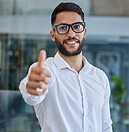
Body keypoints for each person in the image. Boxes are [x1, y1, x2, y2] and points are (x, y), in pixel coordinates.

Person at [19, 2, 113, 132]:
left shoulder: (100, 77)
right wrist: (33, 88)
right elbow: (31, 95)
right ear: (53, 35)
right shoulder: (46, 70)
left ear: (84, 32)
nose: (71, 33)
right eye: (63, 28)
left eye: (77, 26)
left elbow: (105, 126)